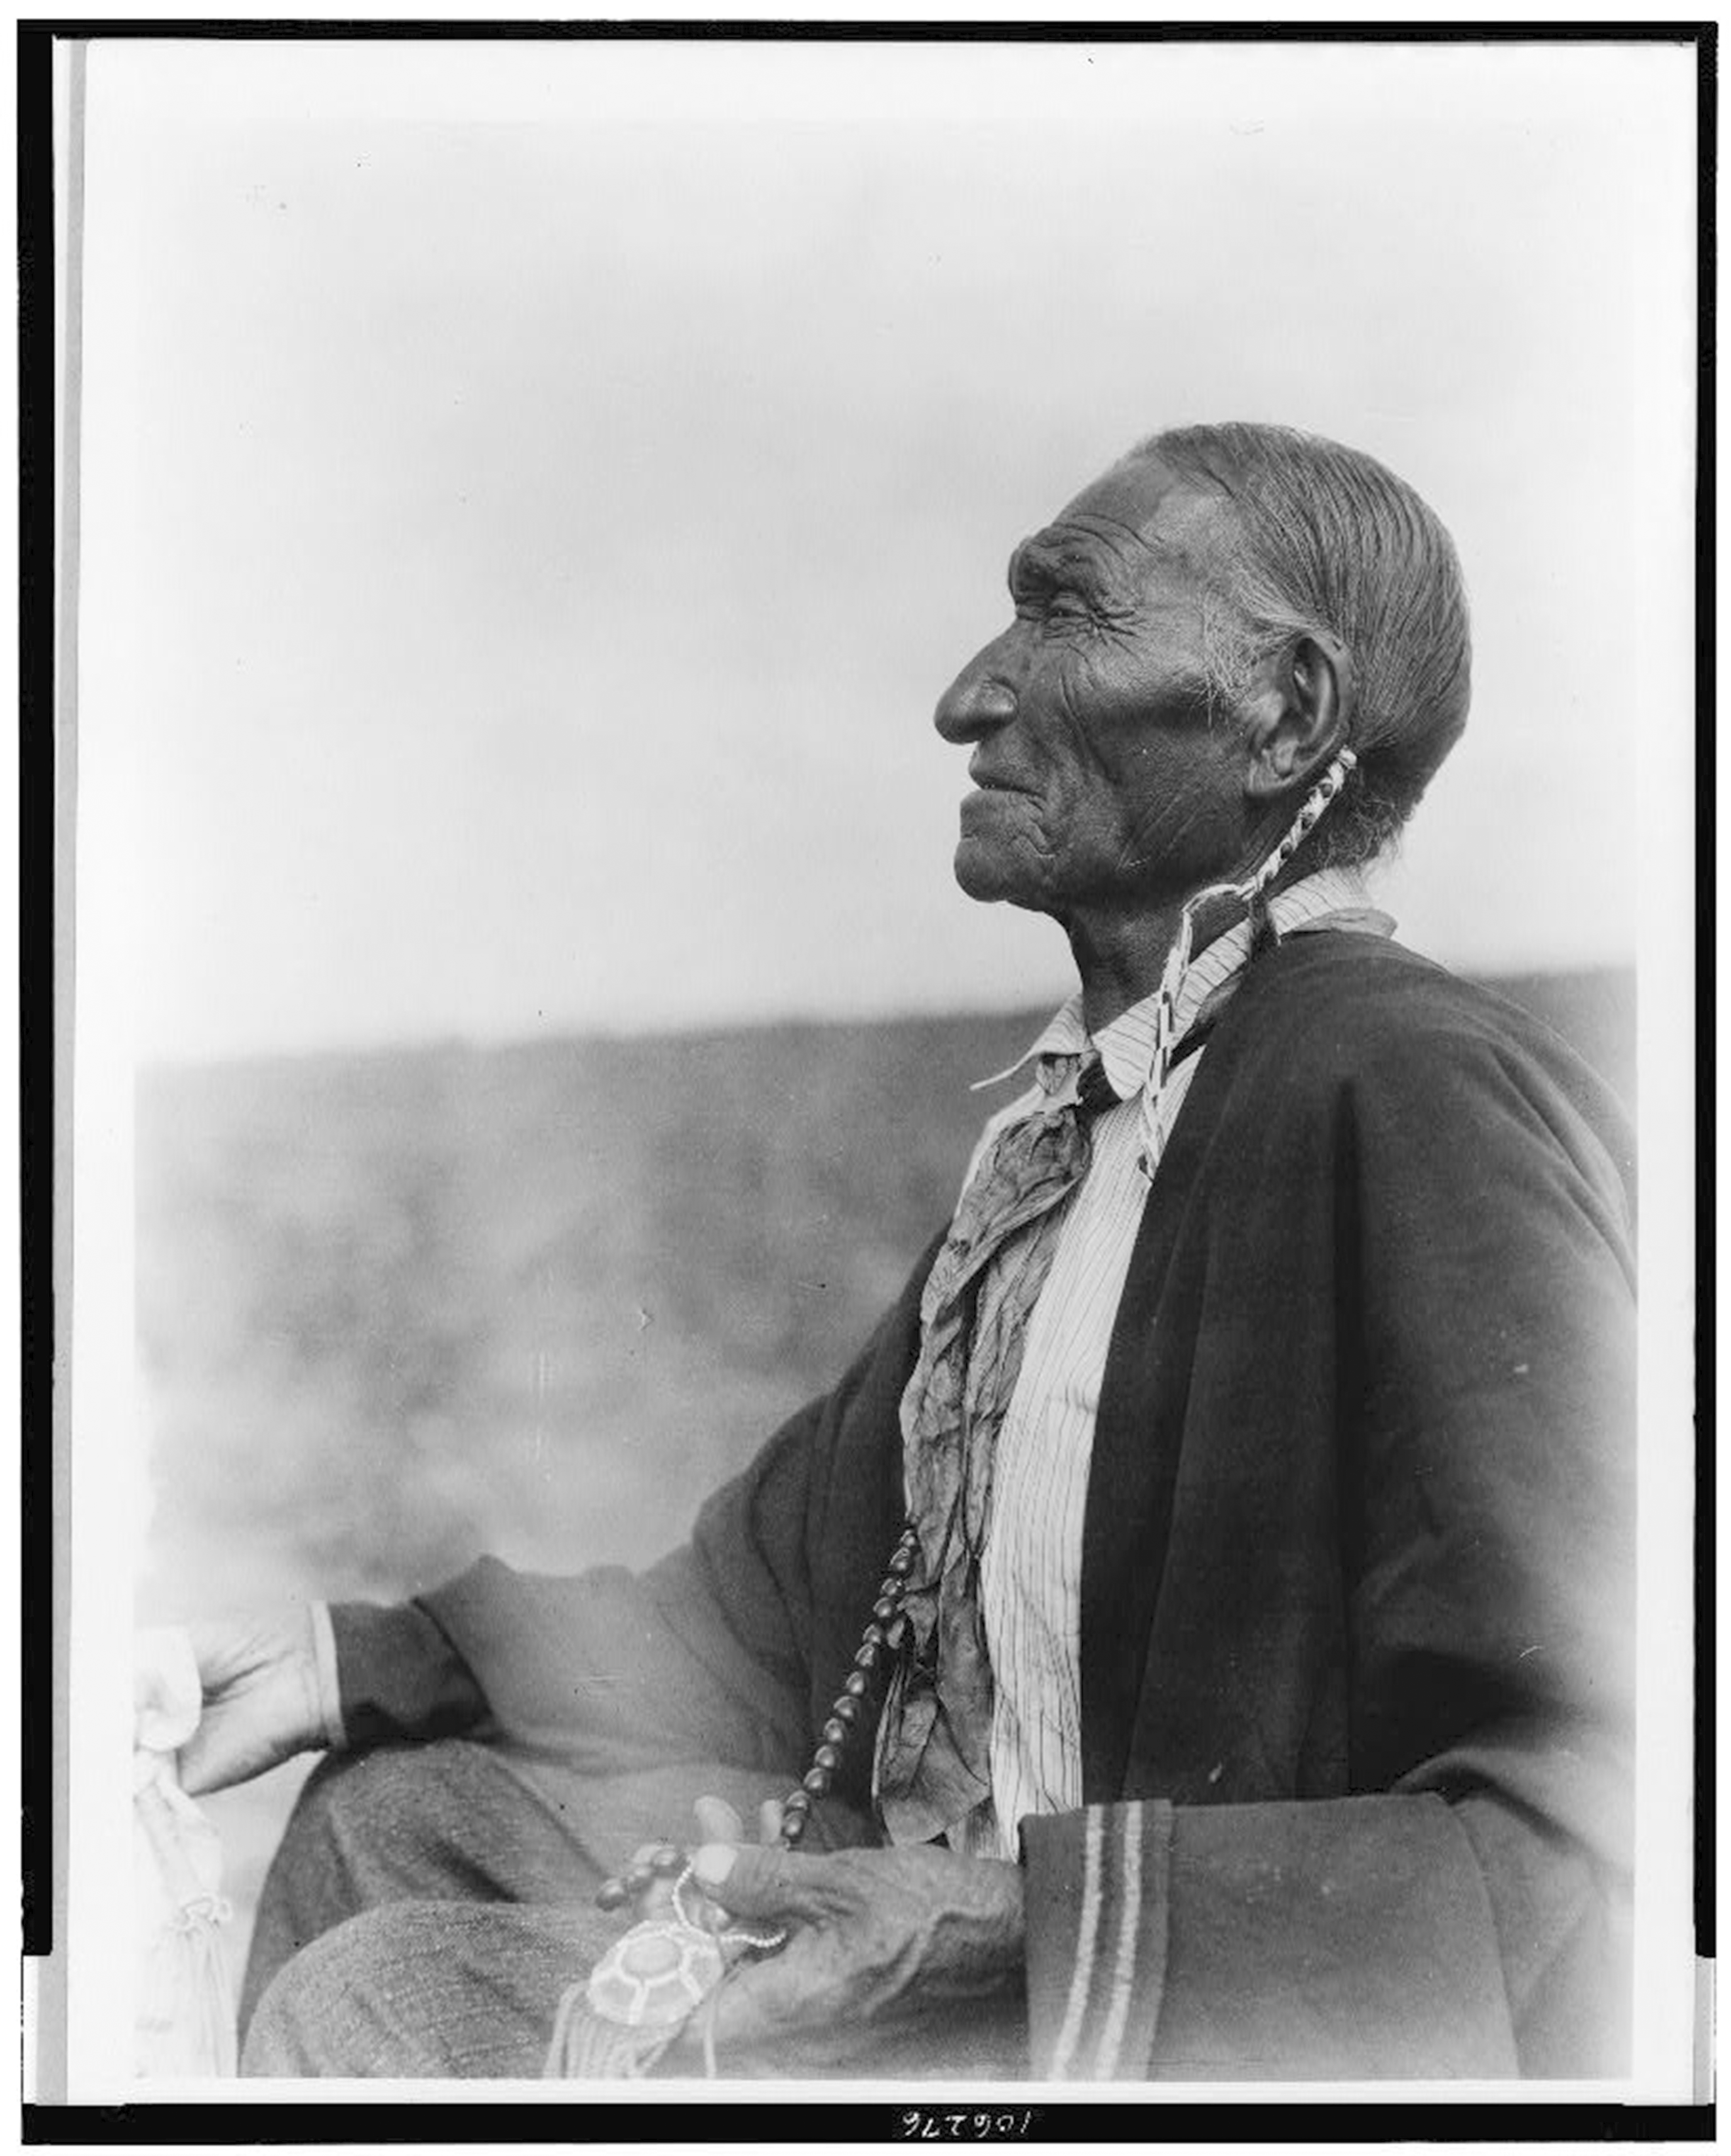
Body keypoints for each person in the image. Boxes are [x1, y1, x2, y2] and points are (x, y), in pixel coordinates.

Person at [179, 422, 1636, 2082]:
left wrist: (993, 1927)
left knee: (387, 2008)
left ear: (1285, 714)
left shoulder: (1406, 1088)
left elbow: (1608, 1827)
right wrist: (341, 1660)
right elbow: (758, 1622)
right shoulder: (1082, 1127)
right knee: (398, 1825)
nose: (969, 696)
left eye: (1065, 613)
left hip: (1181, 2040)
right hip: (994, 1935)